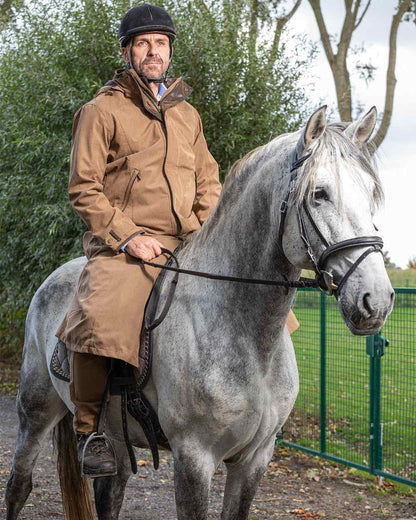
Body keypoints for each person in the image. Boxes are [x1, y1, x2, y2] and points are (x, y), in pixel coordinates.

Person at [57, 3, 299, 478]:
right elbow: (83, 188)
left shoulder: (187, 115)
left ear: (169, 52)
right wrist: (128, 238)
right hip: (126, 243)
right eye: (143, 43)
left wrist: (210, 233)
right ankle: (89, 431)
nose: (153, 51)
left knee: (275, 315)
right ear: (127, 51)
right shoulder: (101, 110)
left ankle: (256, 411)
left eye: (161, 43)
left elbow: (209, 181)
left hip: (188, 239)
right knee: (98, 314)